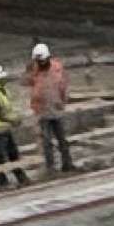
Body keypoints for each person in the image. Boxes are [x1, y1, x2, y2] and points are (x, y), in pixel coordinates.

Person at [27, 41, 76, 175]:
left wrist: (63, 101)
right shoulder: (34, 70)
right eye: (38, 61)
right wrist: (35, 106)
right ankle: (51, 167)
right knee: (46, 141)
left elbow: (63, 87)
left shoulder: (56, 69)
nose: (41, 63)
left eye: (42, 60)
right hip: (42, 111)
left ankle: (67, 164)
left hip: (55, 108)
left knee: (61, 139)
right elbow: (30, 86)